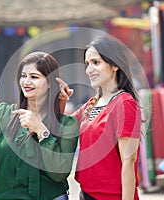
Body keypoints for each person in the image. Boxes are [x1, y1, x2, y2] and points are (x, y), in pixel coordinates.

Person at [0, 52, 79, 200]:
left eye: (34, 77)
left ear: (50, 83)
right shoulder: (3, 114)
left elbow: (59, 174)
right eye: (23, 76)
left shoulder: (66, 124)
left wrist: (41, 132)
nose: (26, 82)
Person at [57, 35, 142, 200]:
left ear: (115, 65)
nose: (89, 70)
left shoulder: (124, 103)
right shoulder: (93, 103)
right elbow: (64, 127)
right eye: (87, 64)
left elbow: (129, 161)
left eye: (96, 62)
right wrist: (62, 101)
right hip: (86, 193)